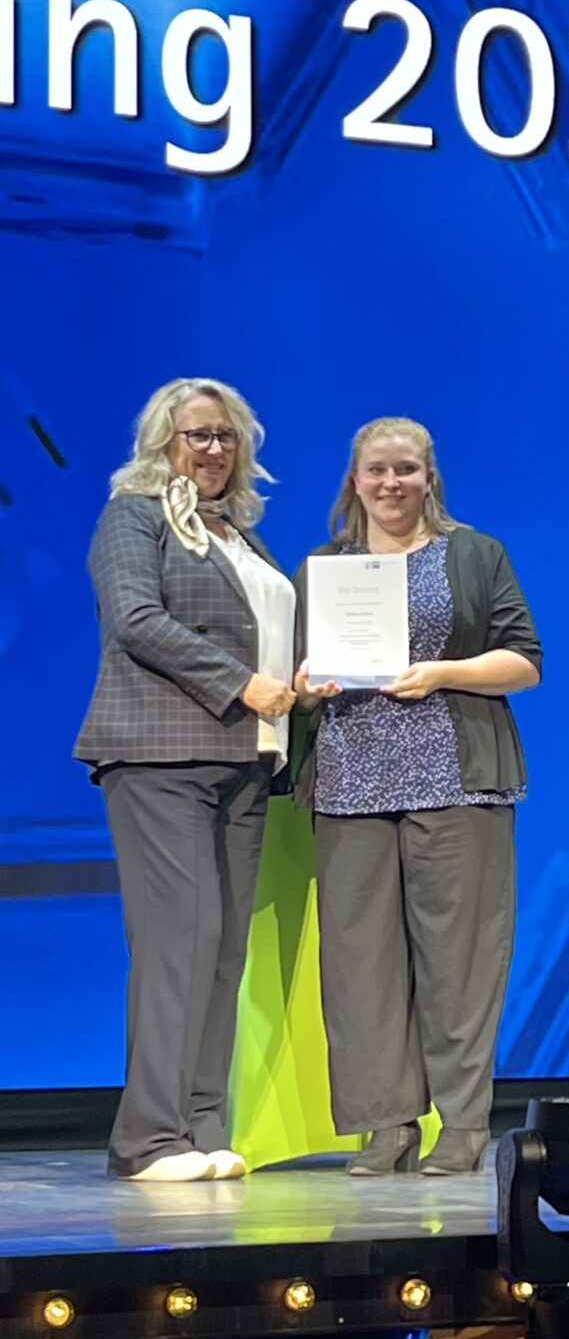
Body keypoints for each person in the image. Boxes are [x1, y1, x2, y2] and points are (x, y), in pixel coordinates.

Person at [294, 418, 541, 1176]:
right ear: (355, 480)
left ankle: (462, 1122)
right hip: (350, 784)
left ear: (429, 476)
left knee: (459, 962)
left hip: (455, 780)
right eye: (377, 470)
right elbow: (296, 677)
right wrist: (306, 684)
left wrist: (442, 673)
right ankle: (387, 1124)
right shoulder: (325, 568)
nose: (391, 483)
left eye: (406, 469)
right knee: (359, 965)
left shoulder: (474, 553)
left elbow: (524, 661)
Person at [74, 379, 296, 1183]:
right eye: (196, 434)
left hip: (245, 758)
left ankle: (202, 1127)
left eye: (225, 436)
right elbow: (136, 620)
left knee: (223, 950)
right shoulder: (133, 516)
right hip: (161, 754)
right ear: (161, 442)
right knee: (180, 941)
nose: (212, 449)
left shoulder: (237, 533)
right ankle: (149, 1140)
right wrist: (243, 684)